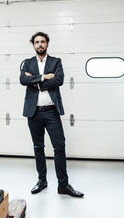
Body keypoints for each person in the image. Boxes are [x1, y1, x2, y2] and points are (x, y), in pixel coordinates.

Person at [20, 32, 84, 198]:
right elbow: (23, 80)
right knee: (38, 147)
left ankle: (63, 185)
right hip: (33, 113)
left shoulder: (56, 62)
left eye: (42, 41)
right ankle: (42, 181)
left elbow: (59, 80)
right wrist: (44, 76)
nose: (40, 44)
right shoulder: (27, 63)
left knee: (59, 147)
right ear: (33, 45)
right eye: (36, 42)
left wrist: (37, 82)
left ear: (47, 44)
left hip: (51, 112)